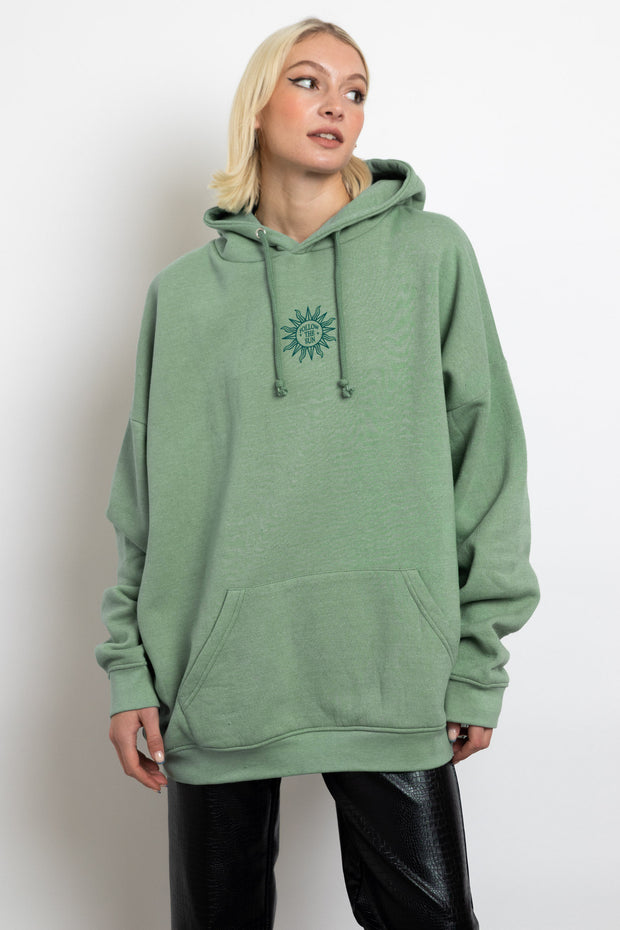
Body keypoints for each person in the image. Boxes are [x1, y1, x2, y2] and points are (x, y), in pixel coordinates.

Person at [97, 17, 539, 930]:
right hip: (220, 682)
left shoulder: (432, 255)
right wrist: (129, 672)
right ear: (257, 107)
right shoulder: (182, 297)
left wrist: (476, 661)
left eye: (355, 90)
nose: (336, 103)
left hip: (390, 669)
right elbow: (145, 501)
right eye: (307, 81)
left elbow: (489, 460)